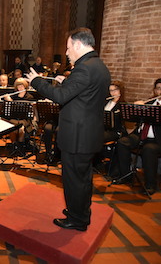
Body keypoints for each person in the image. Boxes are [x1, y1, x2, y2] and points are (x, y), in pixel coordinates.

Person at [26, 27, 110, 231]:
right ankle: (81, 211)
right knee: (83, 177)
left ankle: (77, 219)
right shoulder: (98, 65)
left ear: (79, 45)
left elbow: (61, 97)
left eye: (68, 47)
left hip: (78, 135)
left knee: (74, 179)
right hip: (88, 132)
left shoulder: (83, 68)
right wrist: (67, 82)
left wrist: (36, 81)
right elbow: (84, 93)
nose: (66, 52)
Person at [112, 78, 161, 195]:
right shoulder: (150, 102)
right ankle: (125, 175)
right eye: (158, 88)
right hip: (141, 136)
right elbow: (135, 118)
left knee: (149, 149)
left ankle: (150, 185)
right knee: (122, 142)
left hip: (159, 141)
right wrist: (136, 108)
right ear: (154, 90)